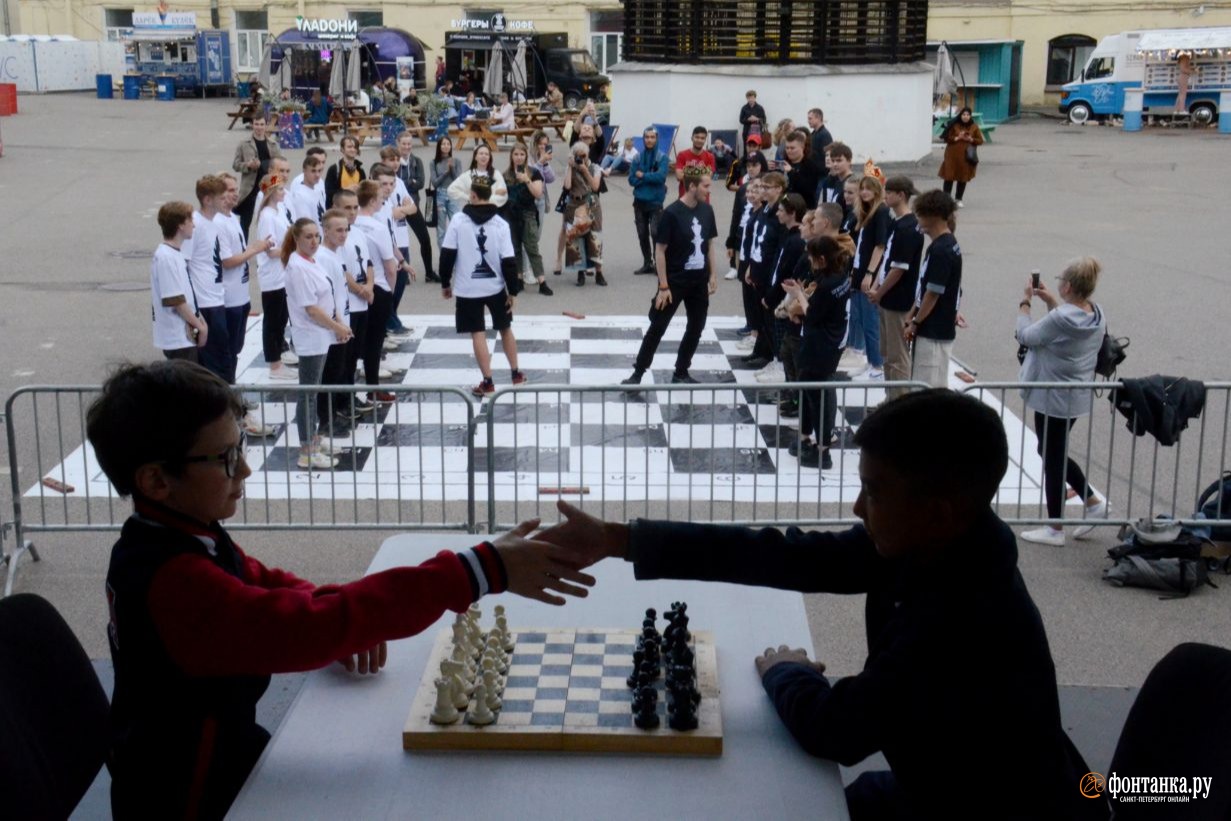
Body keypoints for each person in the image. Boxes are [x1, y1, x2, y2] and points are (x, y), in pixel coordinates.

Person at [536, 389, 1105, 821]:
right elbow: (786, 556)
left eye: (875, 491)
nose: (858, 507)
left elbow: (838, 729)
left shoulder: (959, 619)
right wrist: (619, 539)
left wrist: (786, 672)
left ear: (941, 510)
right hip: (973, 777)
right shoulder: (944, 542)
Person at [90, 360, 594, 820]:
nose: (244, 469)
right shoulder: (175, 581)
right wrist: (478, 570)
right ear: (156, 480)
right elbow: (298, 628)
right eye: (224, 458)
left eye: (241, 447)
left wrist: (335, 610)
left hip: (223, 761)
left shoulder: (176, 534)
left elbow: (262, 583)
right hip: (191, 798)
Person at [1016, 257, 1110, 547]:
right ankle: (1093, 502)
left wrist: (1025, 304)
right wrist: (1051, 300)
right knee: (1051, 450)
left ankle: (1055, 526)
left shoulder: (1060, 318)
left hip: (1051, 396)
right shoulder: (1095, 313)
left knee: (1052, 457)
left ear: (1068, 285)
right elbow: (1066, 323)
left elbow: (1026, 335)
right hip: (1076, 394)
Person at [622, 167, 723, 387]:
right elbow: (660, 251)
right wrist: (663, 286)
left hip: (699, 281)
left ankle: (681, 371)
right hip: (675, 281)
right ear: (692, 186)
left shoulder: (707, 210)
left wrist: (713, 274)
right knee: (658, 326)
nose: (709, 190)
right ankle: (638, 373)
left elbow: (710, 244)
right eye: (705, 185)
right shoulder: (671, 213)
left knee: (696, 326)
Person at [439, 175, 525, 397]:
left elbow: (447, 254)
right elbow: (509, 260)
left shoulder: (458, 220)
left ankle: (488, 382)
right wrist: (513, 290)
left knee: (477, 332)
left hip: (468, 288)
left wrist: (445, 282)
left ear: (473, 195)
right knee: (505, 328)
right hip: (495, 286)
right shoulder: (501, 223)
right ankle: (516, 374)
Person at [282, 218, 352, 469]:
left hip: (321, 334)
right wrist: (337, 327)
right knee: (308, 394)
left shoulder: (310, 261)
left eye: (316, 236)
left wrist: (336, 325)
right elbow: (311, 309)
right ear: (297, 238)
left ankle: (313, 439)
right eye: (308, 237)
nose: (314, 242)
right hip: (311, 335)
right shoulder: (298, 267)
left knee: (313, 391)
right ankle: (306, 450)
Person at [781, 235, 853, 468]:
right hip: (829, 341)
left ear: (822, 259)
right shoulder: (839, 275)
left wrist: (798, 295)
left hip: (821, 345)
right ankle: (812, 441)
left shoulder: (830, 284)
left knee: (817, 395)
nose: (810, 262)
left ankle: (823, 451)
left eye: (812, 258)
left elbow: (811, 314)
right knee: (811, 390)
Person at [215, 174, 274, 402]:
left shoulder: (232, 218)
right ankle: (227, 396)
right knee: (226, 351)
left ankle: (232, 391)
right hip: (227, 298)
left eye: (235, 189)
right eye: (229, 190)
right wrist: (255, 249)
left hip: (241, 295)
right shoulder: (219, 223)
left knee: (236, 349)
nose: (234, 193)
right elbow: (227, 260)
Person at [867, 176, 924, 399]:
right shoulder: (897, 223)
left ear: (901, 195)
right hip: (887, 298)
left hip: (898, 300)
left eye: (888, 192)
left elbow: (899, 268)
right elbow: (888, 260)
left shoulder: (909, 228)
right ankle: (892, 399)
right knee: (888, 354)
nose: (885, 196)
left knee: (898, 356)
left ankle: (900, 403)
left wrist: (879, 292)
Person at [904, 190, 962, 389]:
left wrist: (916, 321)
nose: (917, 219)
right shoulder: (944, 245)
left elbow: (933, 292)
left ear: (933, 216)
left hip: (934, 332)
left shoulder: (942, 250)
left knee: (927, 387)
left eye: (919, 215)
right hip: (935, 328)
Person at [330, 189, 377, 420]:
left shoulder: (357, 233)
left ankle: (349, 395)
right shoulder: (335, 236)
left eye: (355, 207)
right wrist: (360, 290)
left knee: (354, 355)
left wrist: (370, 285)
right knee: (343, 358)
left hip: (363, 303)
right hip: (348, 305)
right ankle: (341, 401)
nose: (352, 212)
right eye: (347, 207)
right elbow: (340, 269)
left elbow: (367, 261)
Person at [182, 176, 232, 383]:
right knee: (212, 363)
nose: (227, 199)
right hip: (204, 303)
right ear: (207, 200)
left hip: (216, 297)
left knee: (224, 356)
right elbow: (184, 265)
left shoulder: (214, 223)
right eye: (222, 197)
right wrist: (193, 311)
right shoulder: (196, 225)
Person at [353, 179, 399, 405]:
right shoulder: (378, 228)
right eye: (381, 197)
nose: (383, 200)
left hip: (354, 290)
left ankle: (349, 391)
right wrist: (389, 291)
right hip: (378, 288)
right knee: (373, 342)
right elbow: (390, 266)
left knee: (353, 343)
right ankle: (372, 388)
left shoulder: (350, 225)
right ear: (372, 200)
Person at [755, 193, 808, 386]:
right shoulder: (787, 234)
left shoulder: (796, 241)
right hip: (775, 290)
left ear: (792, 213)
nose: (777, 213)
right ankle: (777, 361)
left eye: (781, 210)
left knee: (781, 334)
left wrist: (772, 297)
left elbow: (787, 271)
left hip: (783, 295)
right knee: (773, 330)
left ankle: (780, 366)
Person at [150, 202, 208, 362]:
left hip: (184, 337)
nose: (194, 225)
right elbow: (176, 300)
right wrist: (200, 326)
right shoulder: (166, 257)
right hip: (177, 338)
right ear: (180, 225)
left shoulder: (175, 253)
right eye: (190, 220)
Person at [252, 176, 295, 382]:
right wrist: (292, 250)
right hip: (272, 275)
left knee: (281, 318)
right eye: (279, 189)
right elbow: (269, 250)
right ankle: (274, 364)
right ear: (269, 192)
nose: (283, 192)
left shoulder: (278, 212)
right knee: (273, 320)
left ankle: (278, 358)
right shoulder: (267, 216)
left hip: (282, 274)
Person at [849, 175, 892, 380]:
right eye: (862, 188)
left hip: (869, 272)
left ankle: (877, 364)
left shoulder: (881, 212)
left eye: (869, 189)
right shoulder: (865, 214)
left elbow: (880, 246)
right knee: (860, 318)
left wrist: (869, 274)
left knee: (871, 321)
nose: (864, 192)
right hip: (859, 270)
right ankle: (870, 361)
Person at [378, 146, 420, 337]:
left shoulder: (400, 183)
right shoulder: (379, 188)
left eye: (397, 159)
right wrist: (402, 209)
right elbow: (392, 212)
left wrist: (401, 210)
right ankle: (388, 322)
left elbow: (413, 208)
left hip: (401, 240)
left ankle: (391, 318)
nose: (395, 162)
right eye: (391, 159)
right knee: (388, 285)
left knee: (400, 284)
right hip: (388, 243)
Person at [504, 142, 552, 296]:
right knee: (515, 248)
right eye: (516, 154)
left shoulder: (534, 172)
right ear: (511, 156)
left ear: (526, 156)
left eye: (522, 154)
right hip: (511, 215)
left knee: (532, 248)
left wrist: (526, 180)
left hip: (528, 214)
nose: (518, 158)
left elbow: (538, 193)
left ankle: (542, 282)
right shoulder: (505, 175)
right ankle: (519, 280)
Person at [394, 130, 437, 283]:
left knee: (425, 239)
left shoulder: (416, 161)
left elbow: (420, 183)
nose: (407, 147)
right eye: (404, 144)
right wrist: (410, 182)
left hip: (412, 205)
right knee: (397, 241)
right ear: (398, 144)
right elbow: (392, 183)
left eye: (409, 144)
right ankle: (401, 273)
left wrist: (409, 183)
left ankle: (429, 272)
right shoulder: (394, 161)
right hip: (395, 207)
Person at [231, 117, 284, 233]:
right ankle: (243, 247)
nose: (259, 127)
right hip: (250, 189)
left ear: (266, 125)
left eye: (261, 124)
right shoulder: (244, 144)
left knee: (269, 220)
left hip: (269, 187)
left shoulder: (273, 144)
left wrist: (262, 164)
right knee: (245, 223)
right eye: (256, 124)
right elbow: (235, 165)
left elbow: (281, 164)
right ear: (252, 125)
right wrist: (248, 165)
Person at [629, 126, 669, 276]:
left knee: (655, 233)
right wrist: (648, 177)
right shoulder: (637, 157)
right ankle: (647, 263)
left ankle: (659, 264)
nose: (649, 140)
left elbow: (661, 177)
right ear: (643, 138)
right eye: (647, 137)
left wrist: (643, 176)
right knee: (642, 233)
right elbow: (631, 180)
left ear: (656, 139)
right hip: (639, 202)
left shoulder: (662, 158)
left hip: (655, 202)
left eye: (652, 137)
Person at [938, 107, 983, 208]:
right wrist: (958, 137)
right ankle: (946, 199)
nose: (966, 117)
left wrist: (971, 139)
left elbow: (980, 141)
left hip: (965, 157)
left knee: (962, 177)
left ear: (970, 116)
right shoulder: (954, 125)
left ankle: (958, 199)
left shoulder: (974, 127)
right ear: (960, 115)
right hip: (952, 155)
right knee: (949, 176)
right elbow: (946, 138)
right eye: (964, 115)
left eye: (968, 115)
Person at [447, 144, 508, 210]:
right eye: (481, 153)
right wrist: (468, 197)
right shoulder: (468, 175)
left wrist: (484, 200)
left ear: (489, 158)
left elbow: (503, 196)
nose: (484, 156)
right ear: (475, 157)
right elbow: (451, 189)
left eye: (486, 154)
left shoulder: (495, 174)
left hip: (490, 211)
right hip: (472, 210)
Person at [431, 136, 464, 246]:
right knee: (441, 229)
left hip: (453, 194)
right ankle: (443, 257)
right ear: (439, 146)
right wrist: (446, 172)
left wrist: (452, 168)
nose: (446, 146)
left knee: (457, 225)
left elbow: (458, 180)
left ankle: (457, 255)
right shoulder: (434, 163)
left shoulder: (457, 161)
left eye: (448, 144)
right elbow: (435, 183)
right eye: (443, 144)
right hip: (440, 194)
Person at [782, 128, 821, 209]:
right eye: (787, 148)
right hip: (786, 206)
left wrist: (791, 173)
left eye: (792, 148)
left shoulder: (810, 165)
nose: (789, 151)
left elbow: (808, 189)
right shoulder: (785, 163)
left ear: (802, 147)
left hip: (803, 209)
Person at [324, 135, 365, 211]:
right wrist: (345, 190)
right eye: (349, 147)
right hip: (338, 211)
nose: (353, 149)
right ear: (342, 149)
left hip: (355, 211)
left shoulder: (360, 170)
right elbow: (328, 192)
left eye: (355, 147)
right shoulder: (335, 169)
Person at [674, 126, 716, 199]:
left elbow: (708, 177)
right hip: (685, 197)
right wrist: (702, 172)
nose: (699, 140)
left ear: (705, 140)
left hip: (703, 198)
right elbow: (679, 176)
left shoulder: (710, 156)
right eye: (697, 137)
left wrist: (687, 172)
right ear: (692, 138)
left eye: (702, 138)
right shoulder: (682, 155)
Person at [816, 141, 853, 222]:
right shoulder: (837, 182)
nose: (835, 164)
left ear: (849, 161)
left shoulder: (852, 183)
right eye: (833, 161)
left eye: (839, 161)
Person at [287, 155, 327, 226]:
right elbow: (305, 224)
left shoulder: (318, 190)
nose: (317, 175)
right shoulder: (300, 195)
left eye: (319, 171)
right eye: (313, 171)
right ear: (304, 171)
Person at [738, 90, 767, 154]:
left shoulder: (760, 108)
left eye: (752, 98)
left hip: (757, 133)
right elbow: (741, 120)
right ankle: (746, 162)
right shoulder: (744, 108)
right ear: (747, 98)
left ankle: (758, 162)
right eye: (749, 98)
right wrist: (748, 119)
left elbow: (764, 120)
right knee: (746, 149)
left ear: (755, 98)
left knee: (757, 148)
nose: (750, 99)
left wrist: (757, 119)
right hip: (747, 132)